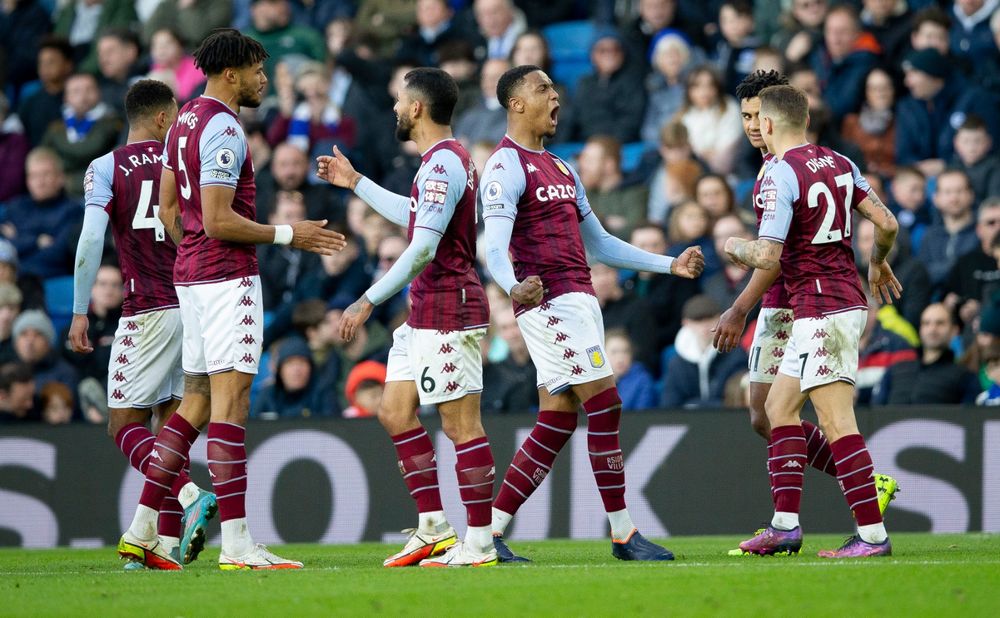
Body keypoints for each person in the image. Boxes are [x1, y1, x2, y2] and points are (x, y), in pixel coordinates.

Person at [118, 29, 345, 572]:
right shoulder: (223, 127)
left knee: (194, 402)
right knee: (231, 405)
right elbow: (219, 219)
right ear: (230, 73)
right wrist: (292, 234)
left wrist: (193, 252)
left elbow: (173, 213)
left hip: (190, 278)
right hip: (225, 280)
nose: (264, 79)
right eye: (257, 69)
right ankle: (239, 545)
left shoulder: (182, 124)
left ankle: (142, 527)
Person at [480, 64, 704, 562]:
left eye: (555, 87)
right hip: (548, 302)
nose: (555, 95)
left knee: (557, 419)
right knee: (606, 405)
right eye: (542, 89)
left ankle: (487, 532)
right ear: (515, 104)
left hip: (580, 299)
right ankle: (623, 533)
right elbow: (493, 247)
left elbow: (600, 243)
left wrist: (669, 263)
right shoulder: (504, 166)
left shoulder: (562, 167)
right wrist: (515, 286)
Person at [317, 67, 498, 567]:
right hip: (424, 310)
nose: (395, 107)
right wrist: (356, 182)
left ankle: (479, 542)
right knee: (395, 412)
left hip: (449, 307)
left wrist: (367, 299)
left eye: (400, 99)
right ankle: (434, 527)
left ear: (417, 107)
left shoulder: (442, 164)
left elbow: (422, 247)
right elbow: (416, 215)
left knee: (462, 427)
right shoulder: (438, 163)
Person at [724, 84, 901, 558]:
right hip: (824, 305)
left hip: (825, 308)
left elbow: (767, 254)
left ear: (767, 123)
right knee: (779, 411)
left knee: (836, 421)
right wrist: (877, 261)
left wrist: (731, 246)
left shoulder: (778, 175)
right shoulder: (842, 162)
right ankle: (785, 526)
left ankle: (872, 537)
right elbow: (887, 225)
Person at [69, 79, 213, 569]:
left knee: (123, 423)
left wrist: (79, 309)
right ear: (160, 118)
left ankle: (191, 494)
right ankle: (161, 545)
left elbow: (91, 239)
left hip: (146, 310)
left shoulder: (105, 167)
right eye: (174, 113)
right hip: (194, 305)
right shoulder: (186, 163)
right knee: (170, 425)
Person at [874, 303, 979, 405]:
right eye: (926, 323)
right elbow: (875, 413)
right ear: (920, 329)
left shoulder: (965, 377)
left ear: (954, 330)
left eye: (940, 323)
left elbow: (970, 418)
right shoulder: (895, 370)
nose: (932, 329)